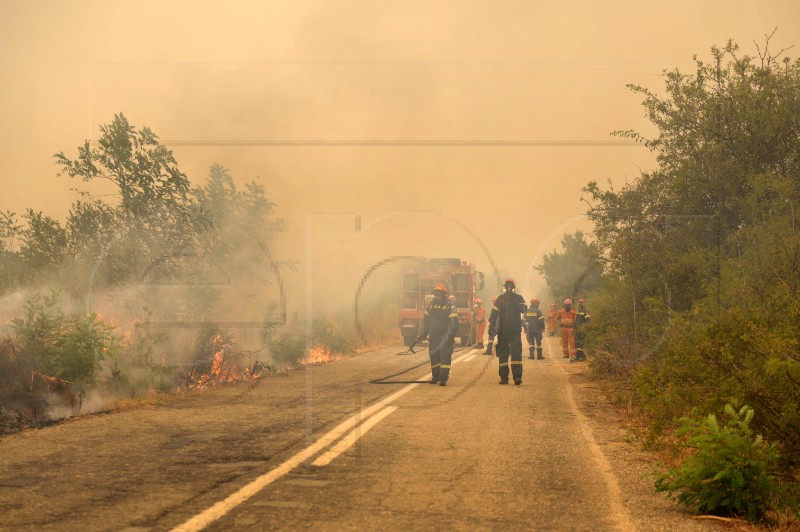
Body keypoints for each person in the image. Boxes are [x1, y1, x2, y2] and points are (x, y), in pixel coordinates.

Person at [416, 283, 459, 386]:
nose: (438, 295)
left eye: (440, 293)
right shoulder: (431, 304)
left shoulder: (450, 304)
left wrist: (451, 335)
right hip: (434, 335)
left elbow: (454, 322)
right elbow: (426, 320)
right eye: (436, 293)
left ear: (444, 294)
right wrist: (423, 333)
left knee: (444, 356)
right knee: (434, 355)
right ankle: (435, 377)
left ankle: (443, 379)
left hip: (445, 335)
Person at [489, 278, 527, 385]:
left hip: (515, 331)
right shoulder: (500, 299)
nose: (509, 288)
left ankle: (517, 377)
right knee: (503, 355)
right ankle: (504, 378)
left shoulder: (519, 298)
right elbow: (494, 314)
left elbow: (525, 310)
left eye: (511, 286)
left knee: (516, 354)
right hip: (502, 331)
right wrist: (491, 326)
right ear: (504, 287)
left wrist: (521, 308)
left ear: (514, 287)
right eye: (507, 286)